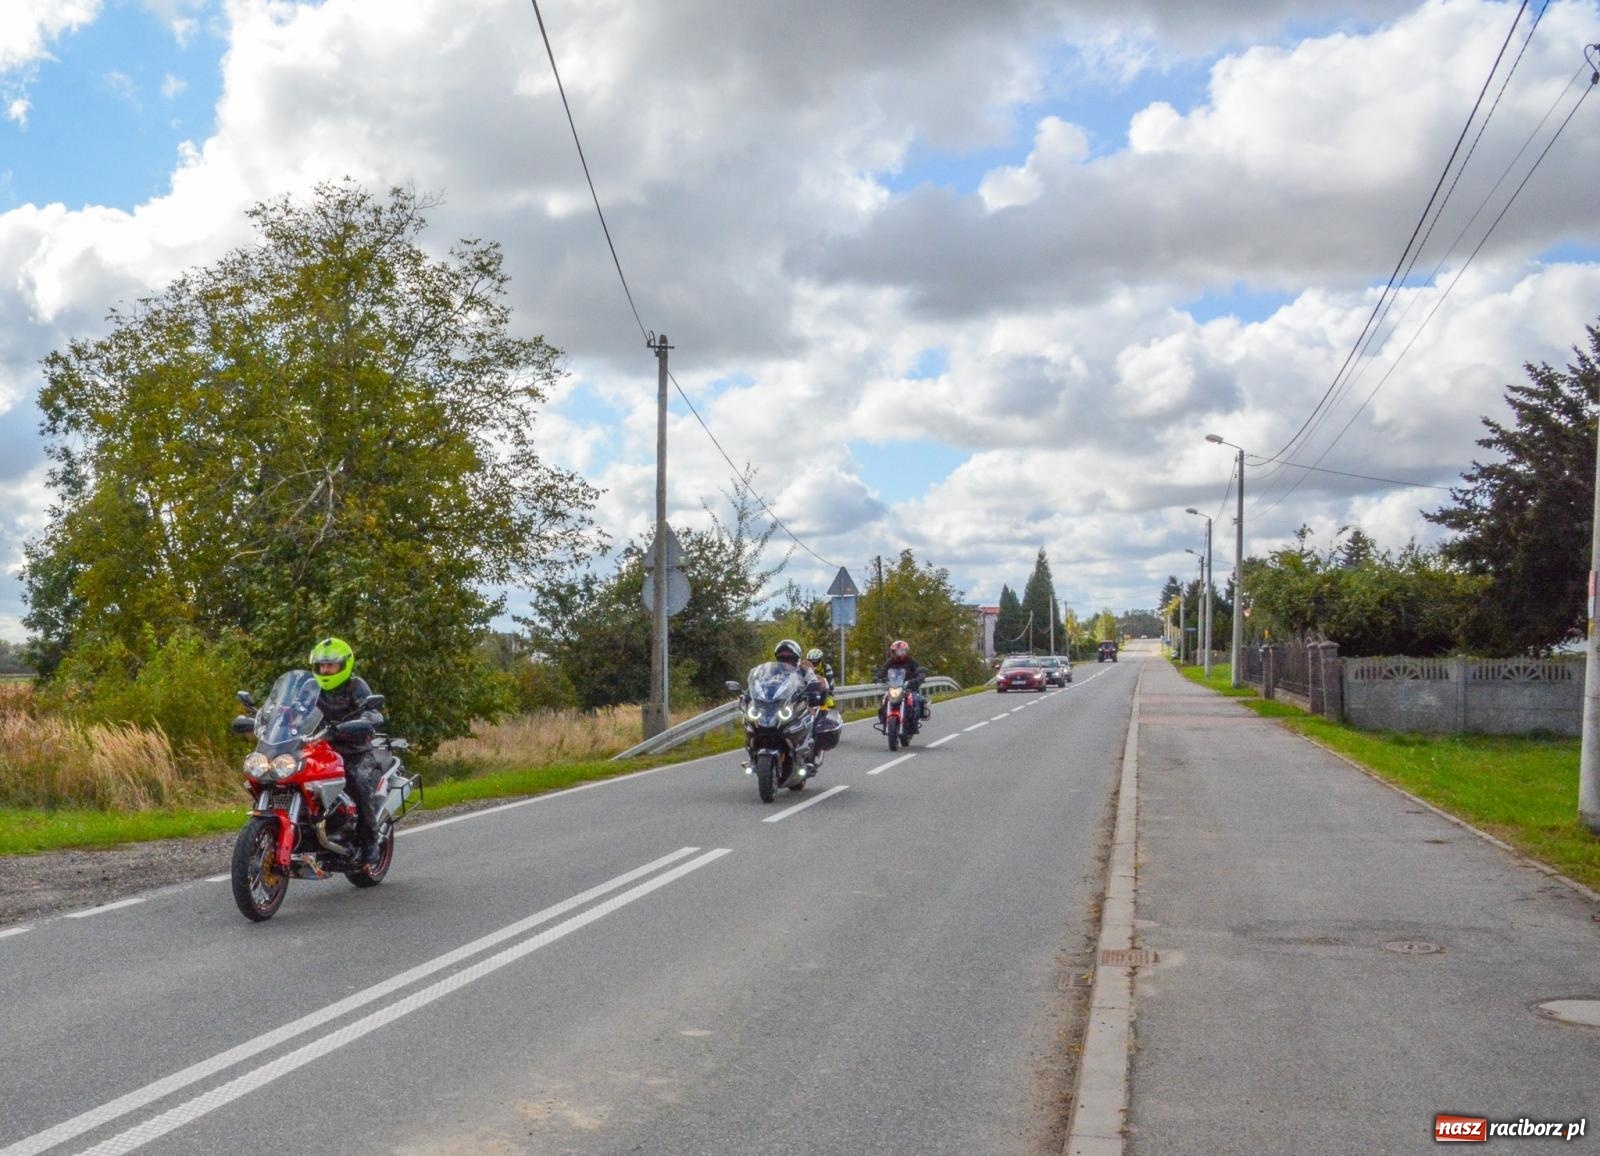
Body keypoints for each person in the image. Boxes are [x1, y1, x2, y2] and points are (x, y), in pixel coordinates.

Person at [309, 636, 385, 867]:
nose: (325, 670)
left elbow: (373, 713)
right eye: (321, 665)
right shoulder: (311, 688)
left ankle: (370, 839)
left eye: (330, 665)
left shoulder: (356, 686)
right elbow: (291, 709)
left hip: (355, 752)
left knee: (358, 780)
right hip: (320, 750)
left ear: (344, 665)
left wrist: (364, 721)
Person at [876, 638, 929, 722]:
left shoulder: (911, 661)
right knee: (885, 699)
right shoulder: (890, 661)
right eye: (897, 651)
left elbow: (919, 670)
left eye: (902, 651)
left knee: (915, 699)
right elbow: (883, 670)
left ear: (906, 651)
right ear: (893, 652)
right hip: (894, 686)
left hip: (909, 687)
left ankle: (915, 718)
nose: (900, 653)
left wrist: (920, 676)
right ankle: (884, 719)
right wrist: (878, 677)